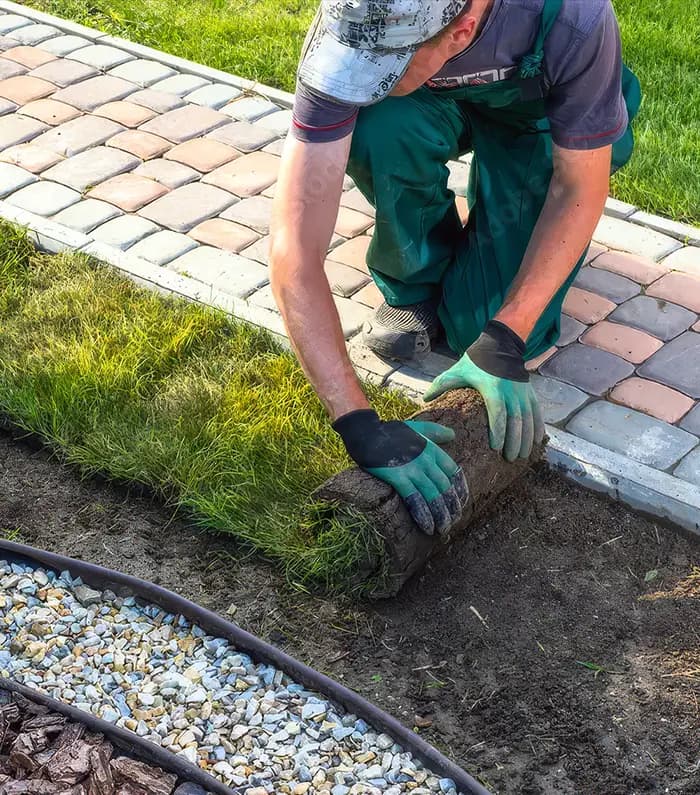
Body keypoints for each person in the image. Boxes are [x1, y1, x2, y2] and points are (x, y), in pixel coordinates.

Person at [269, 0, 641, 536]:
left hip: (534, 115)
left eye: (384, 64)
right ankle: (413, 282)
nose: (362, 76)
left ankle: (503, 202)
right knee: (377, 122)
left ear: (462, 29)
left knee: (483, 328)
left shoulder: (574, 18)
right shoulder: (357, 25)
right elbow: (294, 247)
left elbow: (580, 187)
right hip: (427, 102)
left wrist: (505, 338)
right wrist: (357, 423)